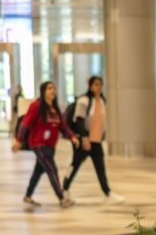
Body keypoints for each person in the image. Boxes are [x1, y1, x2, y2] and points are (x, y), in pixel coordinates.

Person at [13, 81, 78, 208]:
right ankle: (62, 198)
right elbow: (25, 123)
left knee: (38, 170)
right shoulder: (36, 106)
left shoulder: (54, 108)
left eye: (53, 88)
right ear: (43, 91)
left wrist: (72, 137)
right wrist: (19, 140)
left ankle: (28, 195)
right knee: (52, 169)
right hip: (38, 145)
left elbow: (62, 126)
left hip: (50, 146)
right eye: (49, 88)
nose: (52, 91)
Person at [63, 76, 124, 204]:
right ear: (90, 86)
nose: (98, 87)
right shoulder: (84, 100)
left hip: (96, 141)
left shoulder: (102, 101)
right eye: (96, 84)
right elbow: (78, 120)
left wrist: (102, 135)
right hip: (83, 140)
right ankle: (64, 189)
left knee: (100, 167)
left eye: (100, 84)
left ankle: (107, 193)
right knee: (75, 165)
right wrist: (84, 138)